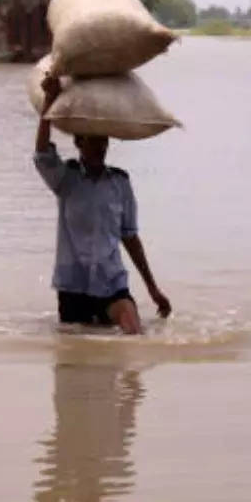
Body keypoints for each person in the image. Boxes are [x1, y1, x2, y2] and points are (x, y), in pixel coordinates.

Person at [33, 75, 172, 334]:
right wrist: (49, 101)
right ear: (78, 143)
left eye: (103, 142)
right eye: (93, 142)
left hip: (111, 282)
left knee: (134, 333)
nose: (100, 148)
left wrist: (153, 288)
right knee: (78, 359)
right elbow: (42, 154)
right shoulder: (66, 180)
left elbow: (130, 237)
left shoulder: (120, 183)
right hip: (74, 286)